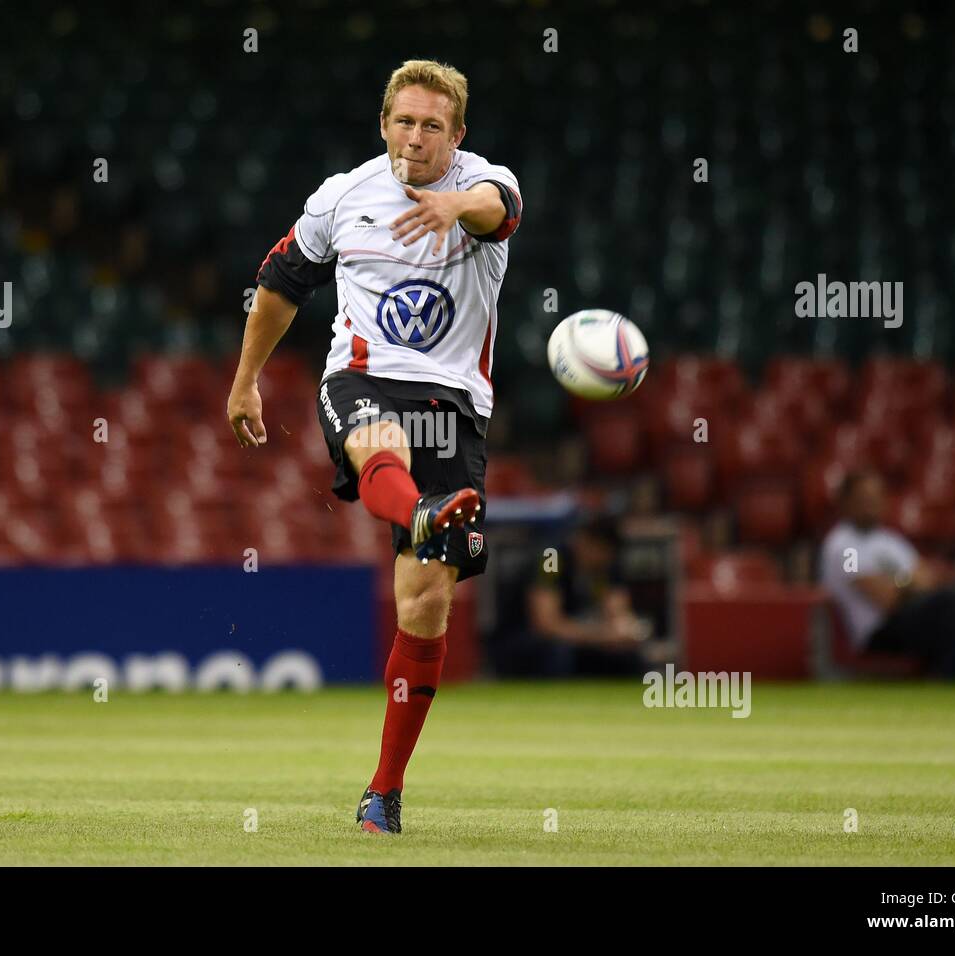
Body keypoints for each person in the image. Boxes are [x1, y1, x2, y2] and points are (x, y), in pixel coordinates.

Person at [226, 60, 522, 834]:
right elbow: (280, 282)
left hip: (454, 403)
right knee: (378, 442)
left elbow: (498, 207)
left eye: (432, 126)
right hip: (360, 377)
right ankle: (423, 513)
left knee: (423, 607)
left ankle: (383, 791)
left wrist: (455, 204)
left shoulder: (485, 183)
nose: (415, 137)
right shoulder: (342, 196)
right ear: (383, 124)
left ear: (457, 135)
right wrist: (246, 380)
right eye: (404, 121)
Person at [819, 469, 955, 677]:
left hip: (911, 615)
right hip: (877, 631)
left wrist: (903, 584)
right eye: (863, 498)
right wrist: (911, 584)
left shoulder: (889, 539)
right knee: (950, 605)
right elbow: (886, 599)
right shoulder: (842, 544)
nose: (871, 504)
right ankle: (949, 680)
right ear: (846, 502)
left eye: (875, 497)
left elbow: (927, 579)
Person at [490, 515, 648, 677]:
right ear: (582, 540)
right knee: (558, 651)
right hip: (523, 641)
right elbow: (546, 624)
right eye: (598, 548)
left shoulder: (606, 567)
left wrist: (625, 631)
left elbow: (618, 613)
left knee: (628, 655)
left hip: (579, 638)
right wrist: (601, 636)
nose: (602, 557)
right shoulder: (551, 558)